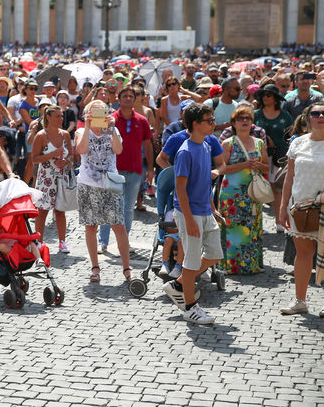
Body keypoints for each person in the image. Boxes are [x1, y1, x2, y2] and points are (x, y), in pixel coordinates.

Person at [278, 104, 324, 319]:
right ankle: (300, 300)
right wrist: (283, 206)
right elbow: (289, 178)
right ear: (308, 119)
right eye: (316, 114)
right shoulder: (297, 142)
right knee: (303, 253)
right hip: (301, 209)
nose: (321, 117)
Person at [163, 103, 224, 325]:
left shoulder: (206, 146)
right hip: (190, 214)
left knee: (215, 254)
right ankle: (189, 308)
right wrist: (188, 219)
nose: (214, 123)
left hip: (205, 211)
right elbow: (180, 189)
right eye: (210, 120)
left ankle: (179, 284)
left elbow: (205, 182)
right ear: (196, 124)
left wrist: (213, 208)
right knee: (190, 262)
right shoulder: (185, 151)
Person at [74, 99, 131, 282]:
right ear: (87, 115)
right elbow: (81, 150)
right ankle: (95, 267)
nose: (99, 116)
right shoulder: (81, 131)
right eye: (94, 112)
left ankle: (127, 269)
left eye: (102, 113)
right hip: (88, 184)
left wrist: (112, 129)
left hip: (110, 184)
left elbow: (119, 150)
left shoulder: (113, 130)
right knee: (91, 227)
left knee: (119, 226)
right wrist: (89, 126)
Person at [98, 86, 153, 252]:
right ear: (119, 100)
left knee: (128, 208)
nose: (128, 98)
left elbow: (148, 145)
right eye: (125, 96)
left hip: (135, 171)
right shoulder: (110, 119)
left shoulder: (142, 120)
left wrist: (150, 168)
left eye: (131, 96)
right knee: (109, 206)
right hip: (113, 170)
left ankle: (124, 241)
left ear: (135, 99)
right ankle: (103, 241)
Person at [217, 105, 269, 275]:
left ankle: (251, 264)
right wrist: (244, 165)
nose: (244, 121)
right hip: (232, 194)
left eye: (248, 118)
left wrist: (259, 165)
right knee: (233, 229)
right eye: (240, 119)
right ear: (234, 123)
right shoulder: (227, 143)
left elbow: (267, 167)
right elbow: (222, 168)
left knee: (251, 228)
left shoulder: (259, 143)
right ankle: (230, 266)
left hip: (252, 194)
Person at [31, 105, 73, 253]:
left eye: (62, 116)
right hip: (46, 178)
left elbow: (72, 155)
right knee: (42, 211)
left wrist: (66, 161)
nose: (61, 119)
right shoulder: (41, 136)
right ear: (48, 117)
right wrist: (53, 154)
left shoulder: (65, 135)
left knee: (60, 211)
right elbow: (34, 159)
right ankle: (39, 242)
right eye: (58, 116)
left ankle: (62, 242)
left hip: (61, 177)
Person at [253, 84, 293, 230]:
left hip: (279, 157)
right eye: (263, 94)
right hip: (259, 157)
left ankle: (279, 221)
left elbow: (290, 136)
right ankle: (255, 224)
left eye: (268, 94)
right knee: (257, 189)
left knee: (276, 189)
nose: (265, 97)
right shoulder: (255, 114)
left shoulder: (285, 116)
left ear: (276, 98)